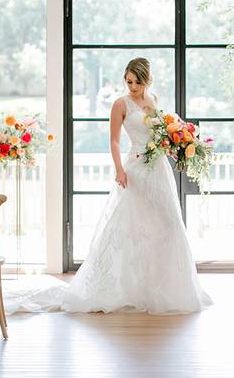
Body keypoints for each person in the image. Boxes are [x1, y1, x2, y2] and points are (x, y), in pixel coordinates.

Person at [11, 57, 211, 315]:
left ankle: (161, 288)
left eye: (137, 82)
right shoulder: (120, 104)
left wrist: (175, 147)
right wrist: (119, 169)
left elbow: (161, 135)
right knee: (134, 227)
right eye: (128, 81)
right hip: (136, 168)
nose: (132, 87)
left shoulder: (154, 101)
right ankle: (125, 288)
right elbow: (114, 141)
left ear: (146, 80)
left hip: (159, 168)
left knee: (167, 224)